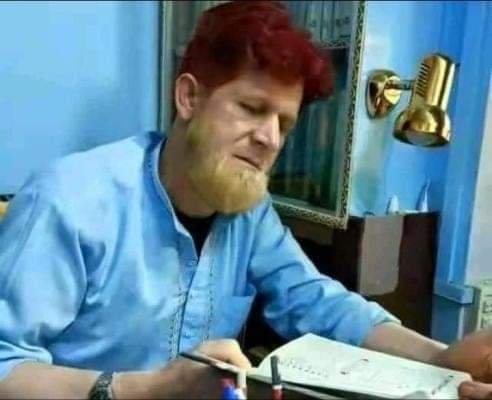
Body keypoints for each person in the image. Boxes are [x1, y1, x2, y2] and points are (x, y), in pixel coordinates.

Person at [0, 1, 491, 398]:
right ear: (189, 98)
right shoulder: (69, 201)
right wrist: (147, 390)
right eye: (252, 109)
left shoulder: (249, 214)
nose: (270, 139)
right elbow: (5, 364)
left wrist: (441, 359)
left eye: (284, 124)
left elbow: (318, 301)